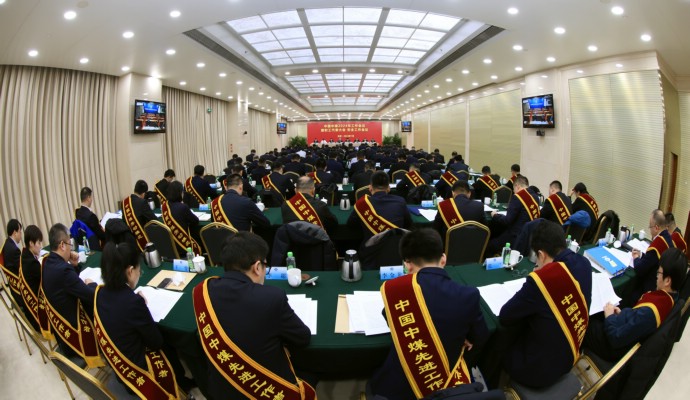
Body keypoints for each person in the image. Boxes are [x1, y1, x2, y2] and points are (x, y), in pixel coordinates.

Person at [368, 229, 489, 399]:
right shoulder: (468, 295)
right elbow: (480, 336)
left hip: (397, 390)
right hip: (450, 388)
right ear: (443, 259)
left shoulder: (396, 290)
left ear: (407, 264)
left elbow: (391, 319)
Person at [192, 232, 315, 399]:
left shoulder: (202, 290)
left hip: (219, 391)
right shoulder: (272, 297)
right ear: (257, 267)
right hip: (264, 389)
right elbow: (302, 338)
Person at [498, 220, 592, 388]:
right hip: (571, 358)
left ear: (541, 255)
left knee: (499, 344)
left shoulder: (544, 279)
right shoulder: (584, 263)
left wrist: (538, 276)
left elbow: (506, 316)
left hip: (538, 372)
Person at [94, 242, 192, 397]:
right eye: (139, 270)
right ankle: (181, 383)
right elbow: (156, 342)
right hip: (139, 373)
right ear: (130, 270)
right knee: (167, 343)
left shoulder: (101, 293)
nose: (139, 273)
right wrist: (141, 306)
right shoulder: (132, 303)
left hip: (119, 365)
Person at [584, 248, 687, 362]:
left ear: (667, 281)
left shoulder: (649, 312)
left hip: (613, 345)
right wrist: (622, 314)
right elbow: (636, 321)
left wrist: (610, 317)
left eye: (659, 272)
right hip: (624, 330)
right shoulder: (671, 298)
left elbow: (616, 338)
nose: (657, 276)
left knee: (583, 318)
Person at [41, 223, 102, 366]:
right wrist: (93, 284)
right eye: (70, 244)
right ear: (62, 245)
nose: (71, 248)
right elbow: (90, 296)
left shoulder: (48, 262)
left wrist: (74, 266)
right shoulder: (63, 270)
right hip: (75, 335)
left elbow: (69, 285)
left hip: (61, 331)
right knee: (105, 306)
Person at [347, 171, 412, 241]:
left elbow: (351, 225)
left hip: (371, 247)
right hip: (396, 246)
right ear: (388, 188)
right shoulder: (400, 201)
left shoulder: (362, 203)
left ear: (370, 188)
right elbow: (408, 224)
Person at [628, 209, 676, 304]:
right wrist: (642, 255)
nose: (650, 230)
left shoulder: (658, 244)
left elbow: (640, 269)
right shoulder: (667, 237)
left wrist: (636, 257)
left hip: (652, 286)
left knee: (631, 294)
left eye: (650, 227)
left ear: (656, 227)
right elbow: (653, 259)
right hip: (665, 282)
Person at [487, 175, 540, 256]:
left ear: (517, 186)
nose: (514, 191)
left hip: (515, 237)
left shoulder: (518, 197)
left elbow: (506, 221)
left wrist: (495, 215)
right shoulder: (535, 197)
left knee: (489, 245)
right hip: (530, 238)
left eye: (513, 189)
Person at [162, 181, 202, 255]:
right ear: (180, 193)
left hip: (170, 243)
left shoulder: (165, 205)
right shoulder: (182, 207)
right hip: (183, 246)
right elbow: (195, 220)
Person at [18, 225, 44, 330]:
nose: (41, 246)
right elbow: (46, 278)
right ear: (31, 243)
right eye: (39, 243)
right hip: (37, 317)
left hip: (28, 311)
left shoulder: (24, 255)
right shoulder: (32, 263)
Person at [122, 179, 157, 252]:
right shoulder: (142, 202)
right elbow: (153, 220)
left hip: (128, 239)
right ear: (143, 193)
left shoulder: (124, 202)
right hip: (141, 239)